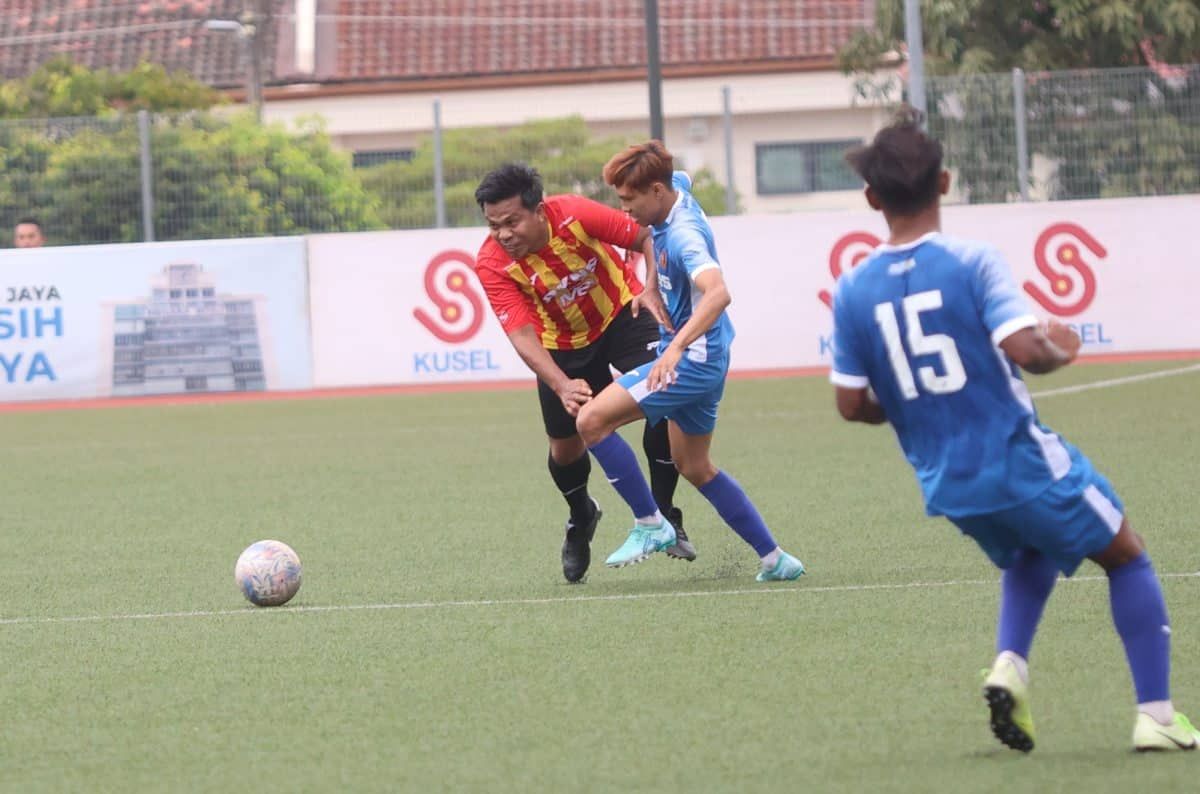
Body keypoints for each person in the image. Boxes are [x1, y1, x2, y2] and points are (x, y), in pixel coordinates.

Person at [829, 108, 1198, 752]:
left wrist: (910, 405)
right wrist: (1064, 344)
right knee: (1126, 553)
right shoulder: (971, 260)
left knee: (1032, 550)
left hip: (948, 484)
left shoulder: (854, 288)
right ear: (944, 183)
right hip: (1020, 460)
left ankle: (1010, 666)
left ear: (871, 198)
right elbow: (1027, 349)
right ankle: (1159, 718)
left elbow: (851, 404)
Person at [573, 140, 805, 582]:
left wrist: (675, 347)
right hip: (710, 357)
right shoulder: (674, 188)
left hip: (690, 362)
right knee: (695, 467)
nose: (625, 212)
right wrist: (652, 286)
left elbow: (718, 293)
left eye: (629, 201)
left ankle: (650, 523)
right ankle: (776, 559)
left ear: (656, 191)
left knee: (590, 422)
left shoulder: (684, 237)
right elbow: (678, 174)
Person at [473, 163, 696, 584]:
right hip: (561, 345)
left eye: (511, 222)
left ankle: (664, 514)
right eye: (493, 225)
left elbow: (644, 235)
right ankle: (581, 515)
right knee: (565, 450)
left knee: (663, 396)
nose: (503, 234)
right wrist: (560, 384)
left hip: (623, 314)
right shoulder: (491, 263)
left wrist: (650, 285)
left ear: (539, 211)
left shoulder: (575, 213)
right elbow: (521, 334)